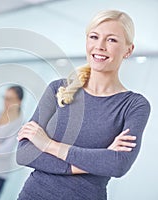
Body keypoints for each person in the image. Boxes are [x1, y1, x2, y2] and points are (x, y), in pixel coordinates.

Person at [16, 10, 151, 200]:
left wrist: (48, 144)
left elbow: (118, 165)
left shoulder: (134, 105)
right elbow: (24, 154)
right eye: (94, 37)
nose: (100, 46)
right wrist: (99, 158)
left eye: (111, 40)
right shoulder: (58, 89)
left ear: (128, 50)